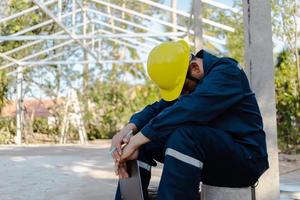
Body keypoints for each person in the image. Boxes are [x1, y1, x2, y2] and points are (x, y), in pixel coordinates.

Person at [110, 40, 269, 200]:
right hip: (213, 159)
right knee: (143, 144)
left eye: (184, 90)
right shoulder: (191, 80)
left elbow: (187, 109)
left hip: (246, 162)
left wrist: (137, 140)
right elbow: (157, 109)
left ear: (195, 68)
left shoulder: (227, 71)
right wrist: (128, 132)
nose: (182, 95)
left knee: (184, 136)